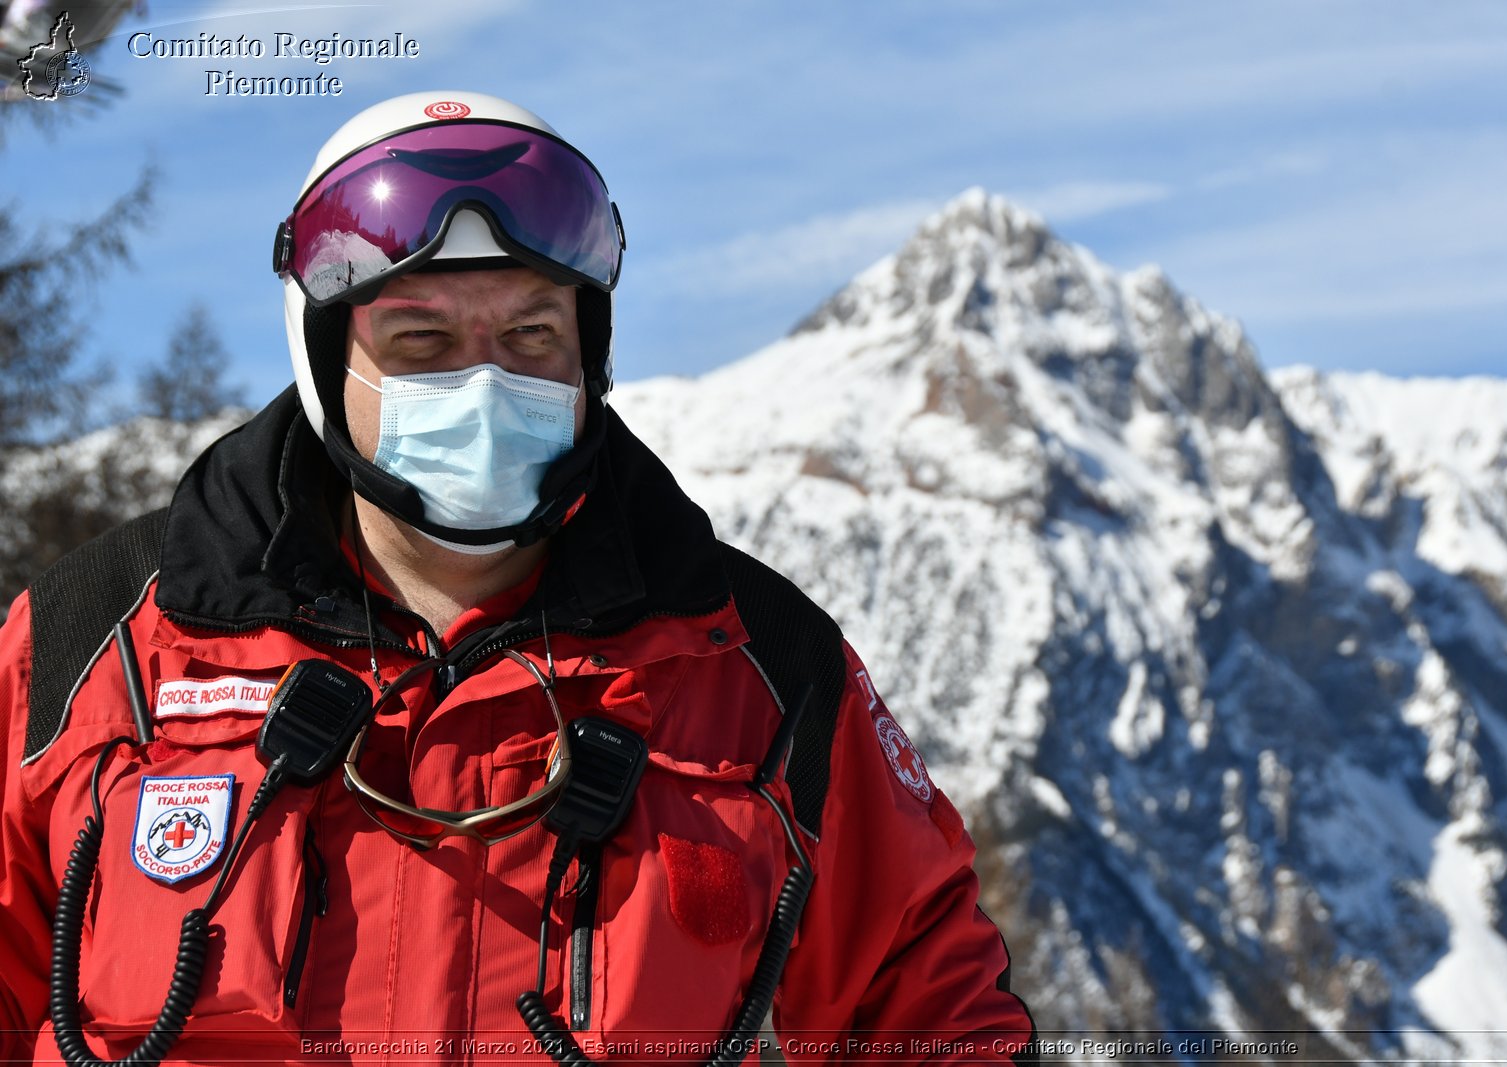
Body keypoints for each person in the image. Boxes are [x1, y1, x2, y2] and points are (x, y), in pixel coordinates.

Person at [0, 91, 1037, 1065]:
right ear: (326, 363)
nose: (485, 380)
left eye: (532, 333)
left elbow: (933, 1013)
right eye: (423, 340)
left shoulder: (758, 663)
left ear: (590, 355)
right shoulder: (100, 642)